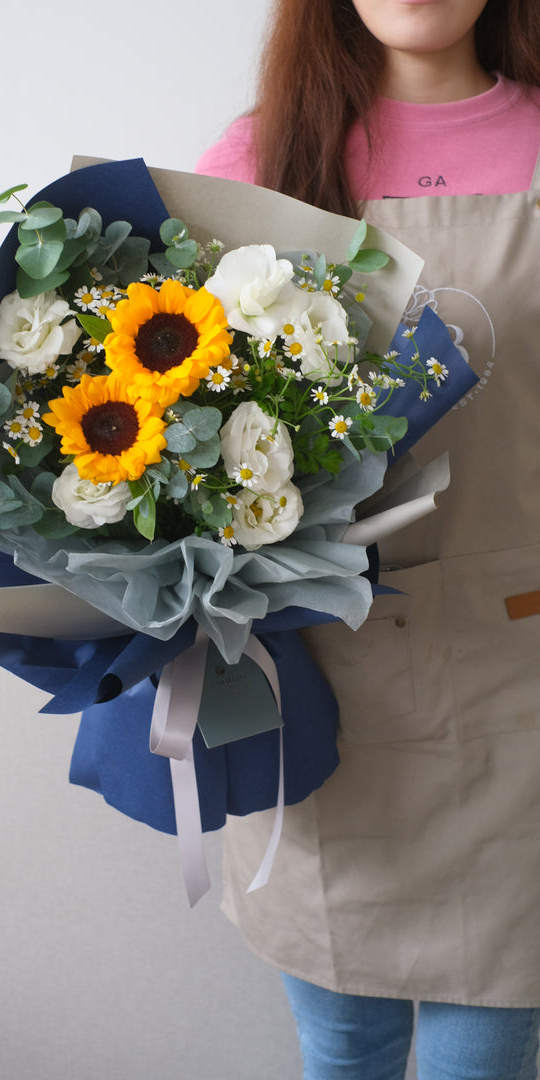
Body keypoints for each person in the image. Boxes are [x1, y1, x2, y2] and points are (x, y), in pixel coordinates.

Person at [196, 1, 540, 1077]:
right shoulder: (257, 159)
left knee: (487, 1053)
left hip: (520, 690)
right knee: (342, 1043)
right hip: (317, 687)